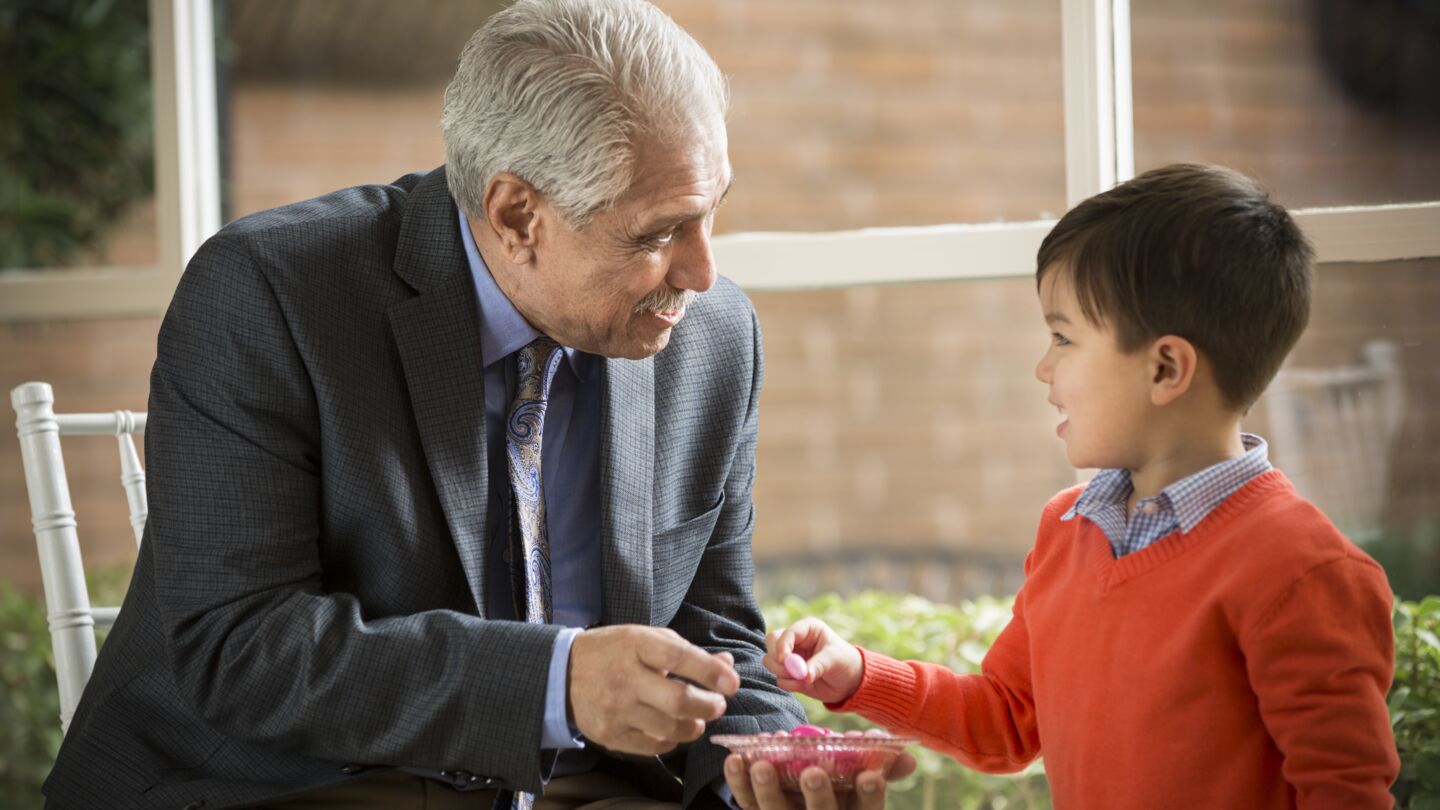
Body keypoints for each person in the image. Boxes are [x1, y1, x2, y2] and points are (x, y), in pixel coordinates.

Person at [42, 2, 910, 808]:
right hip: (290, 785)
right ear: (517, 213)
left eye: (711, 212)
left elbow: (714, 634)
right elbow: (241, 649)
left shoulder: (712, 339)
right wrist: (553, 683)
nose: (702, 273)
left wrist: (771, 769)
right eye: (657, 232)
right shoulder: (270, 293)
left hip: (578, 789)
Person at [733, 164, 1400, 809]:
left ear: (1166, 368)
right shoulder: (1068, 530)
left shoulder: (1304, 572)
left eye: (1063, 338)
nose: (1043, 367)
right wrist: (857, 674)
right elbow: (1005, 717)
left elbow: (1346, 794)